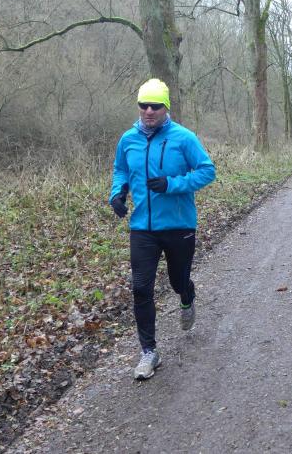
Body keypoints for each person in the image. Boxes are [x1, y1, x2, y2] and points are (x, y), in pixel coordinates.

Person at [109, 78, 216, 379]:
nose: (149, 111)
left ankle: (187, 296)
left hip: (179, 224)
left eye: (155, 106)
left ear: (166, 108)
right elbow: (121, 170)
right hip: (142, 227)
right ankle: (149, 352)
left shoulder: (183, 138)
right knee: (141, 288)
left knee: (177, 281)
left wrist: (171, 184)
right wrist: (117, 194)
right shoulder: (128, 139)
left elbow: (207, 171)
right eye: (144, 105)